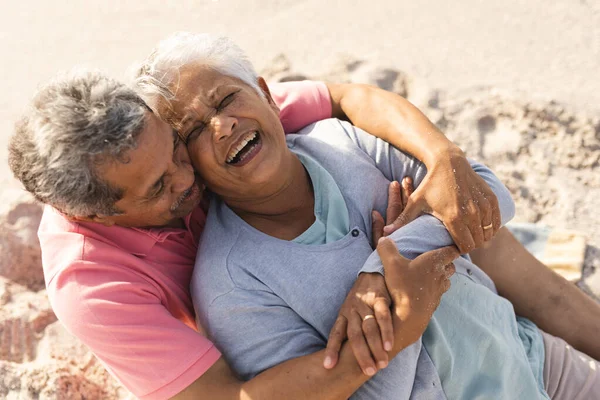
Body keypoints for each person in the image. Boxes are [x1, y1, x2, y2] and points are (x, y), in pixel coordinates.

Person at [8, 33, 599, 399]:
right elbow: (232, 398)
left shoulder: (314, 140)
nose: (187, 177)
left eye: (175, 152)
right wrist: (403, 319)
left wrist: (438, 170)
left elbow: (348, 97)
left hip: (526, 356)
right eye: (162, 185)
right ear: (104, 218)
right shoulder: (107, 288)